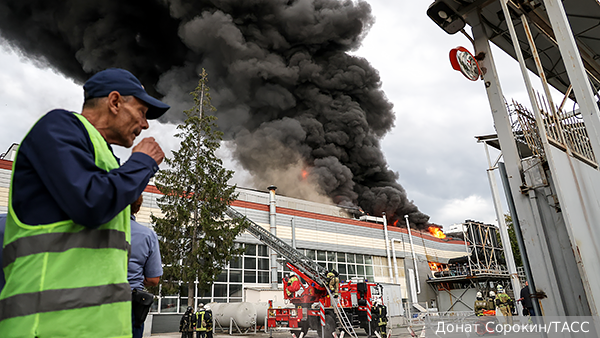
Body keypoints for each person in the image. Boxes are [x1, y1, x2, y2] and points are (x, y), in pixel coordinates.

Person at [0, 68, 169, 337]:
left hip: (98, 328)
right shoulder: (57, 128)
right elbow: (92, 202)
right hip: (48, 326)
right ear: (115, 102)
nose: (145, 124)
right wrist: (142, 163)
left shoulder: (105, 158)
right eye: (142, 112)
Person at [129, 194, 163, 338]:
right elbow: (154, 280)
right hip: (129, 305)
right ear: (137, 208)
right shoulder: (147, 235)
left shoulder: (92, 229)